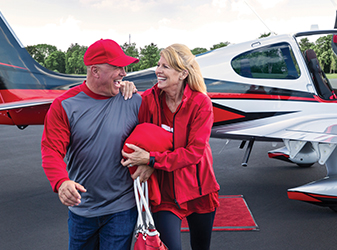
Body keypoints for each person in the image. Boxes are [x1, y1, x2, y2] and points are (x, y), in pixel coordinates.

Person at [41, 38, 141, 250]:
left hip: (122, 208)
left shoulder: (133, 99)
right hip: (82, 209)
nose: (124, 72)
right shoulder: (64, 105)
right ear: (95, 71)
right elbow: (51, 149)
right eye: (117, 67)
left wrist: (149, 161)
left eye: (124, 67)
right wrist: (61, 182)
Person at [121, 43, 220, 250]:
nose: (158, 70)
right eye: (158, 65)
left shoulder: (201, 103)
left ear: (183, 73)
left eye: (165, 66)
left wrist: (151, 160)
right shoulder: (148, 99)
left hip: (199, 188)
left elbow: (194, 153)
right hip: (165, 192)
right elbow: (122, 106)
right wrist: (123, 87)